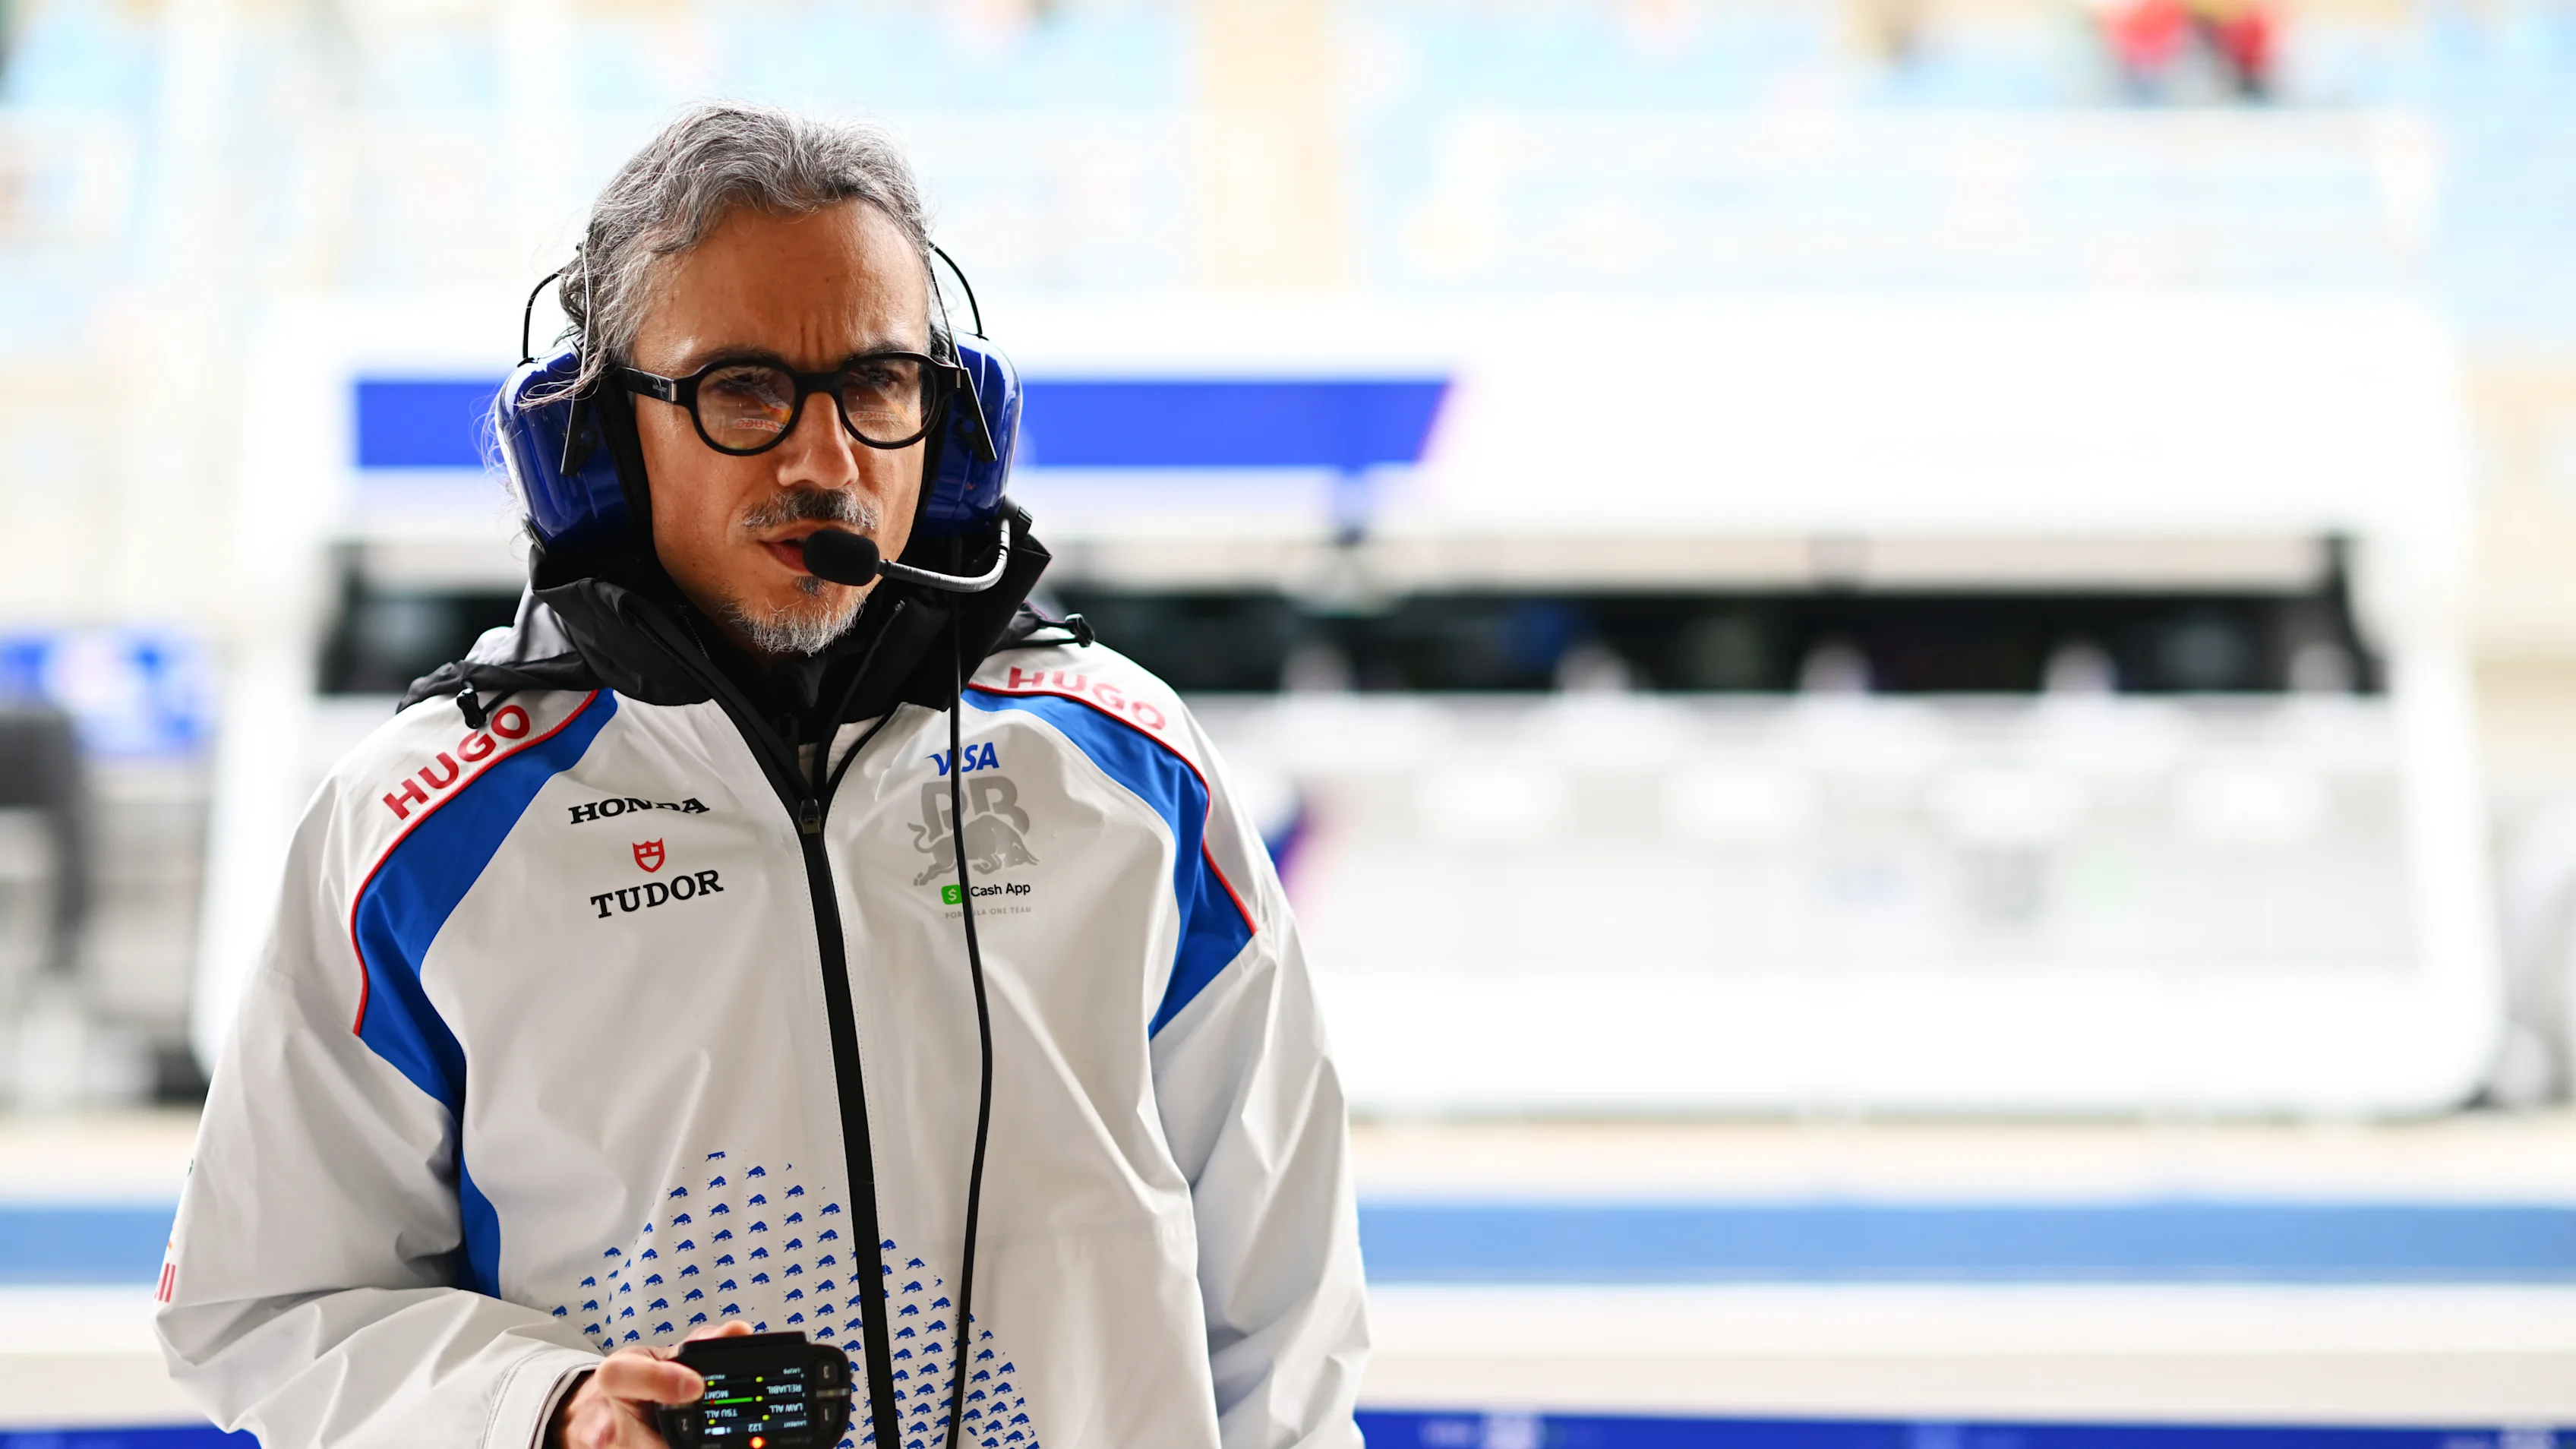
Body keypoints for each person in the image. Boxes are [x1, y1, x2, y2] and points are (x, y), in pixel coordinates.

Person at [154, 103, 1367, 1449]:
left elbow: (1286, 1322)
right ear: (599, 443)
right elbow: (261, 1308)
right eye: (741, 389)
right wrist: (538, 1407)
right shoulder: (415, 829)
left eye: (877, 383)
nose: (824, 458)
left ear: (952, 422)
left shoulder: (1132, 771)